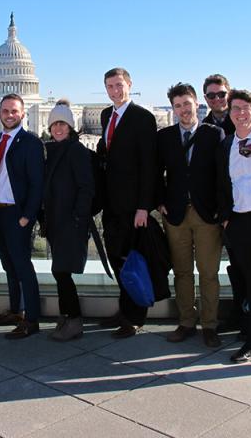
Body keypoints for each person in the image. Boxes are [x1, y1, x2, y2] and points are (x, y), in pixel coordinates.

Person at [157, 83, 224, 348]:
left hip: (206, 214)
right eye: (178, 105)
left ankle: (209, 325)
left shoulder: (213, 134)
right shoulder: (164, 137)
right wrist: (160, 202)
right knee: (182, 272)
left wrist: (221, 208)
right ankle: (186, 322)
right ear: (173, 109)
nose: (183, 109)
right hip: (175, 214)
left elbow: (222, 175)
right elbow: (155, 172)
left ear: (197, 103)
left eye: (187, 103)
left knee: (209, 273)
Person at [96, 68, 157, 338]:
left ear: (129, 85)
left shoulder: (143, 118)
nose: (115, 91)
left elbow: (149, 166)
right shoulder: (106, 115)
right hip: (111, 203)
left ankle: (135, 317)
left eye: (119, 85)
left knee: (134, 259)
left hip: (133, 206)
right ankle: (124, 310)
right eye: (110, 86)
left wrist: (144, 206)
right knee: (117, 258)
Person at [0, 94, 44, 339]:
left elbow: (37, 184)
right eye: (5, 111)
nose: (9, 115)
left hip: (16, 214)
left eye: (14, 111)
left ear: (23, 114)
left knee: (23, 267)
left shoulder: (30, 142)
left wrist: (27, 216)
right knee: (8, 265)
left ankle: (31, 319)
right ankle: (15, 310)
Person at [43, 102, 94, 341]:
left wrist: (77, 218)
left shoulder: (76, 151)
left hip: (70, 223)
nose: (58, 128)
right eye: (54, 124)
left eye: (62, 123)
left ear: (70, 126)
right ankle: (66, 316)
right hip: (56, 221)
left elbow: (86, 187)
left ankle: (74, 320)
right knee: (59, 272)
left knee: (61, 272)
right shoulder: (54, 149)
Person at [203, 74, 246, 336]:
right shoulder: (204, 126)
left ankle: (246, 318)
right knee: (231, 264)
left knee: (246, 264)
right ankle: (238, 314)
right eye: (211, 95)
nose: (217, 99)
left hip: (243, 207)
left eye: (222, 94)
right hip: (217, 209)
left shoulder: (243, 122)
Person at [217, 90, 251, 363]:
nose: (240, 113)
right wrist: (227, 217)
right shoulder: (227, 143)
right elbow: (221, 183)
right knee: (250, 281)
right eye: (235, 109)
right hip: (239, 221)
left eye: (245, 107)